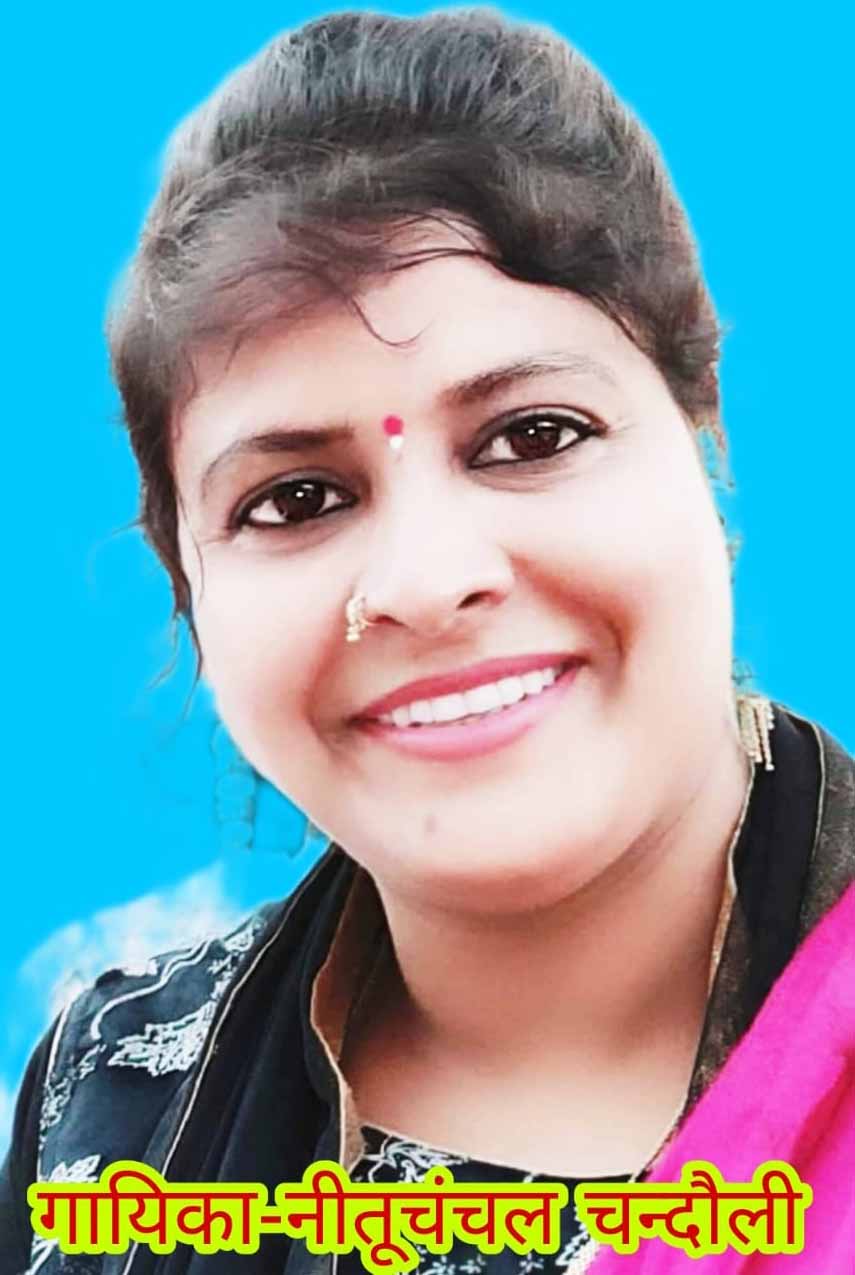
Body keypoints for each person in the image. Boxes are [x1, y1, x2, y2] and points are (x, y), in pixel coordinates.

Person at [2, 9, 853, 1274]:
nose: (427, 582)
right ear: (189, 591)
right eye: (296, 500)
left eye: (532, 436)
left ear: (703, 441)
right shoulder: (103, 1101)